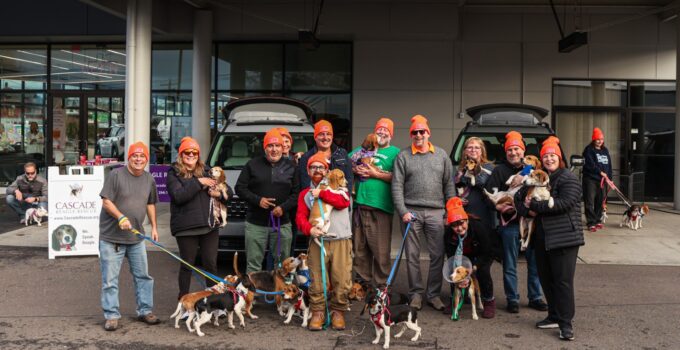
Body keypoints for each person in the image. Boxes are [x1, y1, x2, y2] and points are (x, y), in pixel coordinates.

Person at [514, 137, 584, 341]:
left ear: (559, 157)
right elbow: (519, 199)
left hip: (565, 238)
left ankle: (566, 324)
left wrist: (533, 208)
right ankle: (553, 315)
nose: (549, 159)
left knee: (562, 282)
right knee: (546, 279)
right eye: (545, 156)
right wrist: (525, 209)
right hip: (542, 238)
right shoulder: (537, 176)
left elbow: (565, 203)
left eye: (553, 155)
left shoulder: (568, 177)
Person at [392, 115, 456, 311]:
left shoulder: (441, 155)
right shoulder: (403, 156)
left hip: (437, 212)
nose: (418, 135)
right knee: (412, 255)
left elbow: (449, 185)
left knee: (437, 254)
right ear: (411, 135)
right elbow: (396, 186)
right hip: (411, 212)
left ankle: (433, 295)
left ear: (428, 133)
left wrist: (450, 213)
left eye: (422, 131)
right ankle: (416, 295)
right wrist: (403, 211)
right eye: (415, 132)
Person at [98, 141, 160, 331]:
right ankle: (111, 315)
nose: (139, 159)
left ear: (146, 159)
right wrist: (120, 217)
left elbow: (150, 204)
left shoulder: (149, 179)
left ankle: (145, 310)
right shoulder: (116, 175)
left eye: (142, 156)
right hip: (111, 238)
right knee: (110, 280)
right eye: (135, 156)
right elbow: (106, 202)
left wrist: (154, 228)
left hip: (136, 238)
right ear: (129, 157)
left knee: (143, 276)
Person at [485, 131, 547, 314]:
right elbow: (489, 196)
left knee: (534, 263)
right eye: (510, 149)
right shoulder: (499, 171)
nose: (513, 153)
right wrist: (498, 207)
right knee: (510, 264)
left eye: (517, 149)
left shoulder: (533, 170)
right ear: (506, 152)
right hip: (510, 225)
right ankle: (512, 298)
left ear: (523, 151)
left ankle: (535, 297)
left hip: (531, 223)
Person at [167, 137, 231, 299]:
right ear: (181, 155)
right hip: (186, 227)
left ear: (198, 155)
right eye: (187, 152)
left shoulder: (206, 170)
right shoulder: (173, 173)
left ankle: (214, 301)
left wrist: (220, 194)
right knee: (187, 265)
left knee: (210, 264)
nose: (191, 155)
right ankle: (184, 301)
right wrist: (199, 182)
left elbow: (228, 190)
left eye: (194, 152)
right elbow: (178, 196)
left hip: (209, 226)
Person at [296, 152, 352, 331]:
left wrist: (321, 193)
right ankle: (318, 311)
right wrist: (309, 229)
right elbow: (300, 217)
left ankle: (338, 311)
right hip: (317, 240)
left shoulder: (340, 188)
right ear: (308, 171)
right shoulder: (305, 194)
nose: (317, 170)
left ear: (327, 170)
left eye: (321, 167)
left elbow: (343, 203)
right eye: (313, 167)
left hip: (340, 240)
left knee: (341, 278)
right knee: (317, 278)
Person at [236, 129, 299, 273]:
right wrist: (258, 200)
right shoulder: (252, 165)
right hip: (256, 224)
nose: (274, 149)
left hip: (282, 224)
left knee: (283, 266)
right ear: (265, 148)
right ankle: (253, 295)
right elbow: (239, 188)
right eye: (270, 146)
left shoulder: (291, 167)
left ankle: (280, 295)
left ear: (283, 148)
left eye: (278, 146)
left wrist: (283, 208)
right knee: (253, 265)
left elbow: (297, 194)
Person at [350, 118, 400, 287]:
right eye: (379, 129)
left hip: (380, 207)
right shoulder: (363, 149)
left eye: (386, 130)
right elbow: (345, 164)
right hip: (359, 206)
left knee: (380, 251)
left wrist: (375, 174)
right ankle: (362, 286)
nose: (382, 132)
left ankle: (381, 287)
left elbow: (399, 178)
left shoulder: (395, 153)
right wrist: (353, 169)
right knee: (359, 250)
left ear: (391, 135)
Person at [444, 197, 501, 318]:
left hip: (483, 252)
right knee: (454, 270)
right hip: (463, 254)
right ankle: (455, 299)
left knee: (482, 272)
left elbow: (487, 252)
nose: (459, 228)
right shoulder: (448, 233)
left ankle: (489, 301)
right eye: (454, 226)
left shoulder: (479, 228)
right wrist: (458, 268)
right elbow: (450, 256)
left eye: (461, 223)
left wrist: (474, 267)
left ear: (467, 220)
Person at [298, 120, 352, 193]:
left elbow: (349, 179)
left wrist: (344, 198)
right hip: (317, 200)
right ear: (315, 137)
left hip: (339, 200)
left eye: (328, 134)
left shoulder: (342, 153)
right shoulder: (306, 157)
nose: (325, 137)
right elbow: (305, 185)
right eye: (321, 134)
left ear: (332, 137)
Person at [454, 137, 495, 224]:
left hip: (482, 212)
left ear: (482, 151)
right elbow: (453, 188)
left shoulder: (488, 167)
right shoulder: (459, 169)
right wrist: (456, 199)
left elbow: (479, 182)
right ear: (465, 151)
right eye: (470, 147)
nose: (473, 150)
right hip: (462, 213)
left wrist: (465, 175)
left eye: (477, 147)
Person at [582, 127, 612, 232]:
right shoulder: (589, 150)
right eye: (598, 139)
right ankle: (591, 222)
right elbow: (589, 164)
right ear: (593, 139)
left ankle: (597, 220)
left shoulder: (605, 150)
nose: (600, 141)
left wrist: (610, 178)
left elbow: (609, 165)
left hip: (603, 180)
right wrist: (600, 172)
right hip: (590, 179)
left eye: (601, 139)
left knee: (600, 201)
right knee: (589, 201)